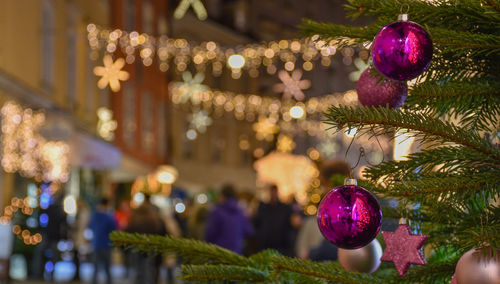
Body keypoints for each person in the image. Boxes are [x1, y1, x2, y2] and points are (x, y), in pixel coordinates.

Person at [295, 160, 350, 261]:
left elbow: (333, 245)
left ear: (332, 182)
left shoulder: (344, 206)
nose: (324, 190)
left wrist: (311, 254)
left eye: (324, 184)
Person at [127, 194, 166, 284]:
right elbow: (159, 231)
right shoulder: (153, 219)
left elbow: (129, 231)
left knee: (138, 269)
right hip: (150, 247)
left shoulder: (135, 219)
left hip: (136, 247)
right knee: (148, 268)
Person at [205, 185, 253, 254]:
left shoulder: (217, 211)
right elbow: (249, 231)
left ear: (222, 196)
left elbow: (210, 233)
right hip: (236, 253)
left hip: (218, 253)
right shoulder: (240, 212)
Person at [253, 185, 295, 256]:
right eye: (272, 192)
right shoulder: (263, 208)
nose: (273, 194)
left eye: (275, 192)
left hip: (281, 245)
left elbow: (290, 223)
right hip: (266, 244)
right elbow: (257, 222)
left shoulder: (284, 208)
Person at [89, 198, 117, 284]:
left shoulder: (94, 215)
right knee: (107, 268)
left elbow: (90, 226)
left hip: (96, 244)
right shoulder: (109, 216)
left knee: (96, 268)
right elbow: (114, 227)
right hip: (106, 244)